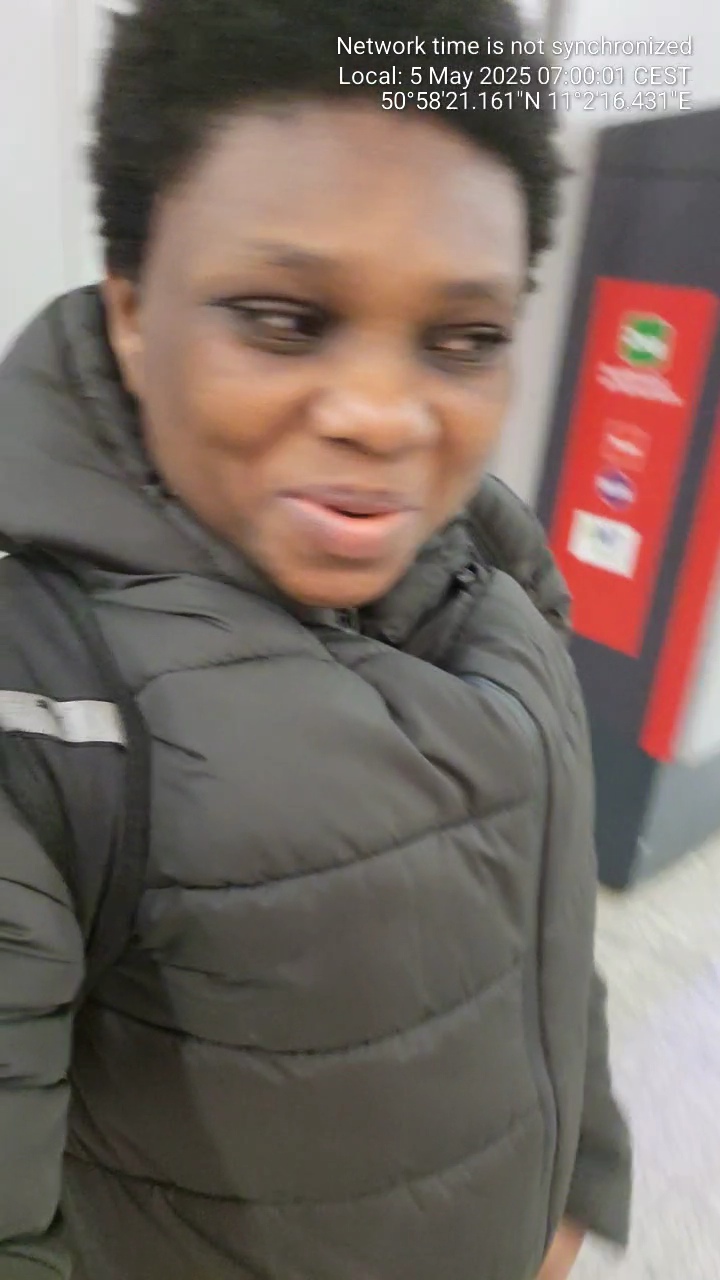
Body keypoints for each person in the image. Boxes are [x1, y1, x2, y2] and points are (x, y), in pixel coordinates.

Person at [0, 0, 632, 1277]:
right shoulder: (46, 711)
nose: (384, 415)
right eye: (283, 318)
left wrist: (579, 1175)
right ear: (133, 310)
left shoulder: (498, 584)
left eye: (464, 340)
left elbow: (548, 926)